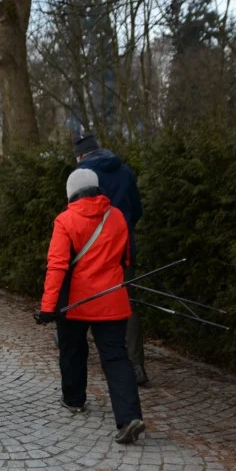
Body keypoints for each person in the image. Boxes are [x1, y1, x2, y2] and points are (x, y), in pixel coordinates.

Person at [35, 168, 145, 445]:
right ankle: (129, 416)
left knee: (73, 349)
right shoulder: (117, 215)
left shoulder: (65, 220)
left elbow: (57, 265)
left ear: (71, 192)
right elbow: (127, 256)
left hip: (76, 301)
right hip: (111, 297)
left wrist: (48, 307)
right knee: (116, 357)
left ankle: (74, 400)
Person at [74, 134, 148, 386]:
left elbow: (75, 214)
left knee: (81, 296)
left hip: (90, 250)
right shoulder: (124, 170)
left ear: (80, 156)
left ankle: (72, 344)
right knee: (128, 303)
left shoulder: (82, 175)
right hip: (123, 249)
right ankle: (136, 364)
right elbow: (136, 209)